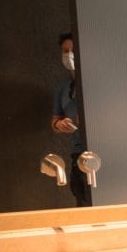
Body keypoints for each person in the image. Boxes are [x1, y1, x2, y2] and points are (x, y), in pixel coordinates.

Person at [51, 32, 90, 206]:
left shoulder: (98, 81)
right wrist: (60, 124)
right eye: (65, 51)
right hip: (78, 156)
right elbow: (54, 122)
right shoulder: (62, 88)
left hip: (104, 154)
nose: (69, 55)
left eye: (73, 50)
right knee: (83, 206)